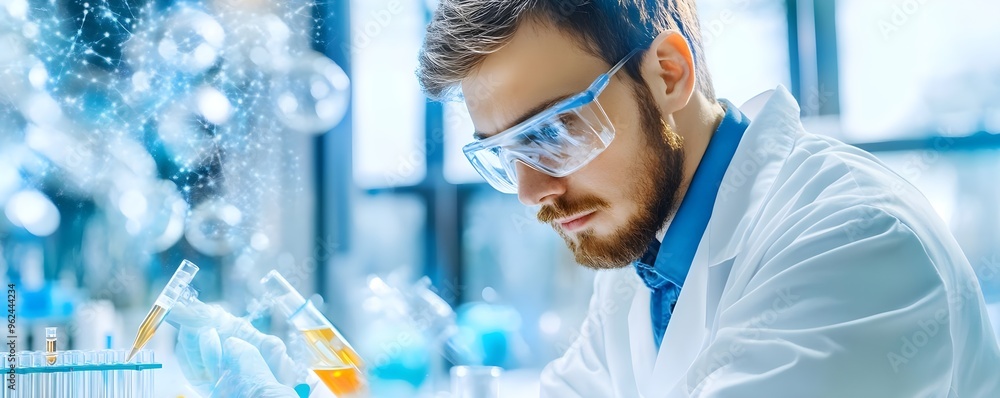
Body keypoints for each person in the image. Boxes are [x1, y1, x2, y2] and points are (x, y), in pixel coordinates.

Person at [175, 0, 1000, 397]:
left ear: (668, 73)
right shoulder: (648, 263)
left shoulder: (850, 245)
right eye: (502, 156)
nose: (532, 192)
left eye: (552, 132)